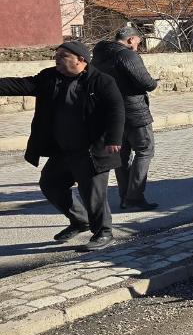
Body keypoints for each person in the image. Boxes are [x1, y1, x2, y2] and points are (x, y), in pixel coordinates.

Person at [0, 41, 124, 250]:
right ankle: (79, 220)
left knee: (92, 193)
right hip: (63, 149)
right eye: (56, 55)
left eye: (63, 56)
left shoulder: (101, 81)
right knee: (51, 184)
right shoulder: (50, 77)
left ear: (81, 60)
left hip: (92, 150)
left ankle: (103, 231)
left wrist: (114, 139)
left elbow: (116, 109)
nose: (56, 59)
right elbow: (20, 84)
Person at [92, 26, 159, 211]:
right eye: (138, 42)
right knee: (145, 150)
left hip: (111, 113)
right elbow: (147, 83)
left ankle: (125, 196)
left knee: (122, 155)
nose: (138, 46)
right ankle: (135, 197)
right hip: (134, 111)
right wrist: (154, 82)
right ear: (130, 40)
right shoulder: (128, 55)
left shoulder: (98, 55)